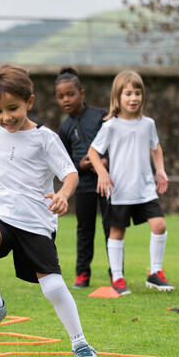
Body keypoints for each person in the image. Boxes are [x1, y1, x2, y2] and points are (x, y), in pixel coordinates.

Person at [0, 64, 99, 357]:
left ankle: (80, 343)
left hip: (36, 223)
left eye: (13, 108)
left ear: (30, 102)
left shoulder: (45, 138)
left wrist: (63, 195)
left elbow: (71, 174)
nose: (6, 117)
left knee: (52, 287)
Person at [87, 70, 172, 295]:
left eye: (137, 93)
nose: (133, 98)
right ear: (117, 98)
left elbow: (156, 147)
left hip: (145, 189)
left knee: (160, 226)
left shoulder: (148, 124)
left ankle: (155, 273)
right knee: (117, 232)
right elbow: (93, 153)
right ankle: (117, 278)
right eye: (128, 93)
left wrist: (160, 170)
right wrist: (102, 173)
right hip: (120, 190)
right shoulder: (111, 126)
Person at [55, 67, 110, 289]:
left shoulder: (101, 117)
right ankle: (82, 274)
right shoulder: (65, 128)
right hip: (84, 185)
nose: (66, 99)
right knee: (84, 230)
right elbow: (65, 163)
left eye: (70, 94)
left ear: (81, 94)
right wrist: (81, 165)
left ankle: (116, 274)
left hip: (107, 183)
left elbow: (116, 144)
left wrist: (105, 161)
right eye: (60, 96)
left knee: (112, 228)